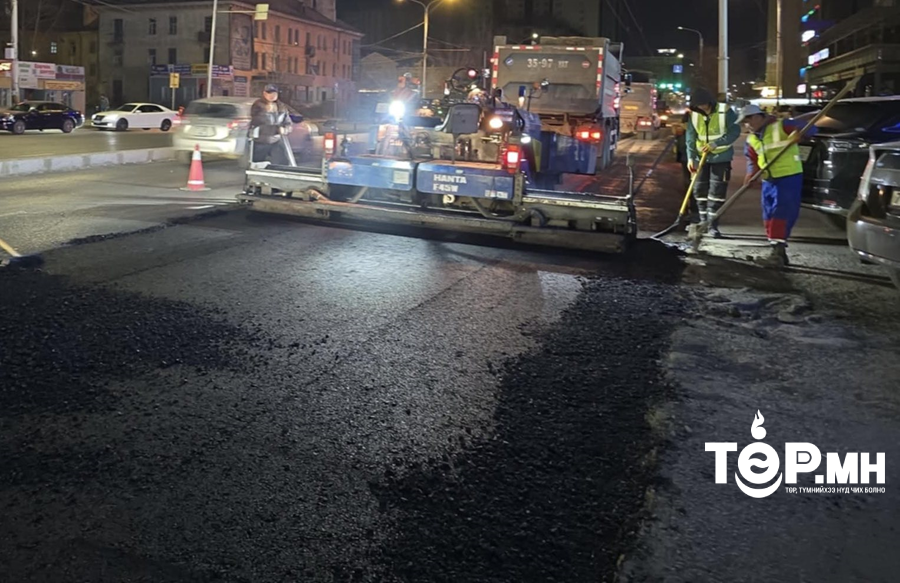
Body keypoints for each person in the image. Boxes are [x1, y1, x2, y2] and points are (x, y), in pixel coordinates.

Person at [738, 103, 816, 268]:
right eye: (744, 122)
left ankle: (777, 252)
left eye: (748, 120)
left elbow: (812, 129)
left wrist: (799, 134)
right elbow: (752, 159)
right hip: (769, 179)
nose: (747, 125)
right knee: (768, 215)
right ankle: (779, 253)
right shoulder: (751, 138)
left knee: (781, 213)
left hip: (788, 176)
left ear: (759, 117)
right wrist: (751, 174)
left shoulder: (782, 125)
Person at [685, 88, 741, 237]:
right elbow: (690, 136)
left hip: (720, 158)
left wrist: (716, 144)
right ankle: (703, 222)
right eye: (699, 106)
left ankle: (712, 225)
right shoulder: (695, 114)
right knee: (699, 191)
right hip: (700, 158)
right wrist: (691, 157)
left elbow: (735, 131)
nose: (702, 108)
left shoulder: (725, 111)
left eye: (704, 105)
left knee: (717, 193)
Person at [250, 84, 292, 165]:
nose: (271, 96)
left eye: (274, 93)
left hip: (276, 140)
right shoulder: (258, 105)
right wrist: (267, 112)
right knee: (258, 164)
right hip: (261, 141)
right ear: (264, 94)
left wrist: (285, 129)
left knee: (283, 163)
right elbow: (258, 120)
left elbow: (288, 122)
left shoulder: (282, 106)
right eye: (269, 93)